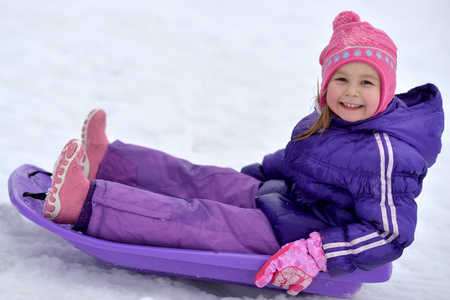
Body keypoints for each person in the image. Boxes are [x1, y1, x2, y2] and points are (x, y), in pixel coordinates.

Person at [43, 11, 444, 295]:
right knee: (203, 178)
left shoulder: (389, 155)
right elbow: (297, 161)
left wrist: (315, 252)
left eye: (366, 82)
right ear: (325, 83)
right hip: (283, 199)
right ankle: (107, 161)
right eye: (341, 78)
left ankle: (85, 204)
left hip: (296, 237)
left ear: (386, 89)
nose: (352, 92)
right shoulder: (327, 119)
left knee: (196, 218)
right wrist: (249, 178)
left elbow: (389, 233)